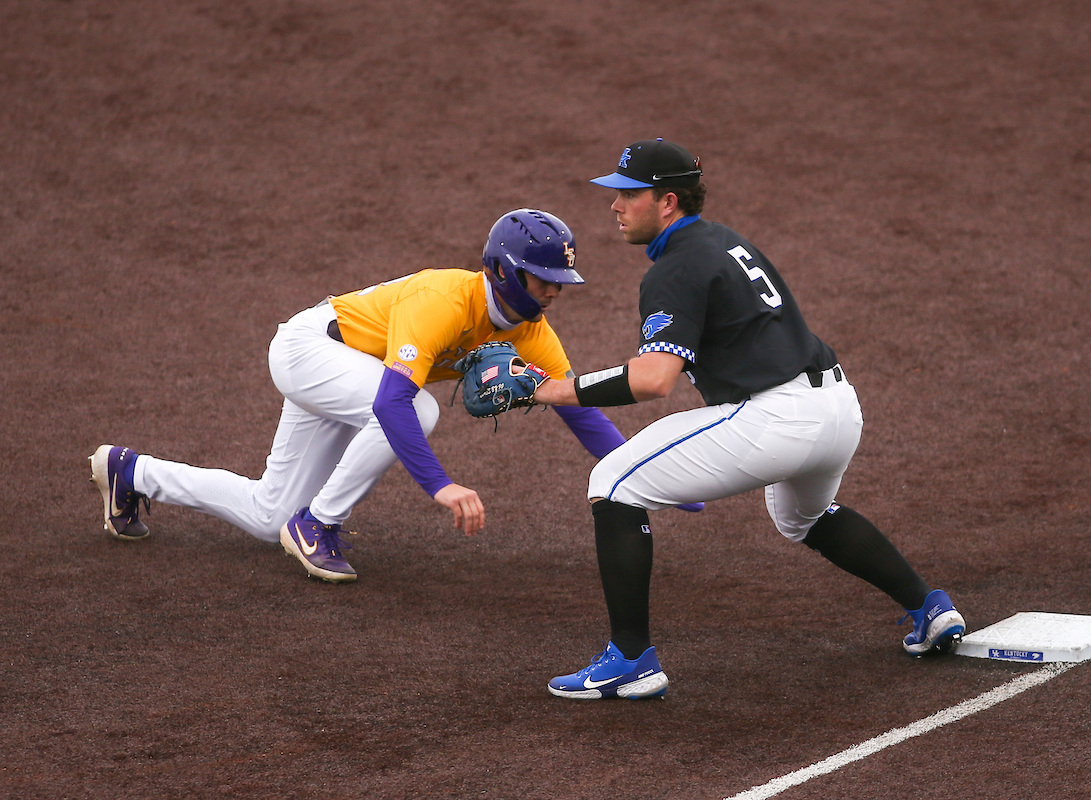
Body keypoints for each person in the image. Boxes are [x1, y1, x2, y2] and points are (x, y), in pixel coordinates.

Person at [532, 140, 966, 699]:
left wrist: (550, 390)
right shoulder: (725, 241)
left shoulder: (676, 267)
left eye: (629, 194)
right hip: (838, 407)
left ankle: (631, 660)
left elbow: (653, 380)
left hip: (777, 417)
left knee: (613, 483)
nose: (615, 206)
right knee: (801, 517)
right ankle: (930, 608)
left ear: (667, 202)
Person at [88, 209, 697, 583]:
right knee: (417, 407)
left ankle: (130, 472)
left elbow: (578, 410)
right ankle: (319, 524)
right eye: (545, 279)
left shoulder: (532, 331)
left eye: (561, 281)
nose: (555, 292)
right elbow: (389, 404)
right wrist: (441, 485)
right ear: (504, 270)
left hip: (351, 374)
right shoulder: (443, 300)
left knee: (268, 517)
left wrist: (649, 474)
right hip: (309, 351)